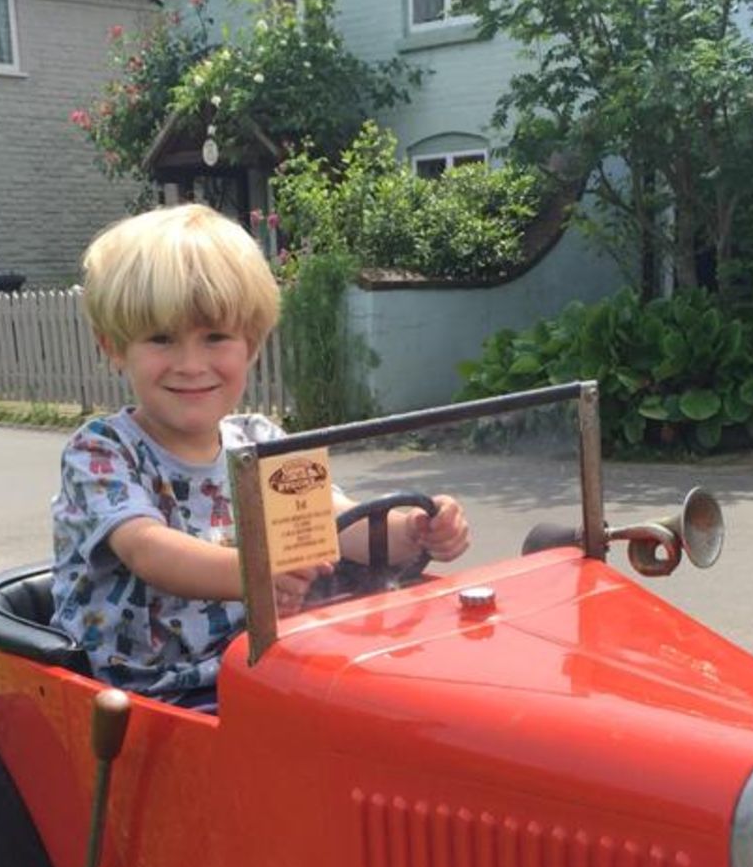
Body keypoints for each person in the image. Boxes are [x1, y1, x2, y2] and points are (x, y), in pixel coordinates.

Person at [51, 203, 471, 705]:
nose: (190, 364)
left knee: (416, 694)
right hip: (161, 688)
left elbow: (328, 525)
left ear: (250, 344)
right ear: (114, 347)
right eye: (161, 339)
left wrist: (408, 531)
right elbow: (147, 548)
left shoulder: (260, 438)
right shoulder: (102, 451)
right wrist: (256, 573)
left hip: (268, 660)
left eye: (215, 337)